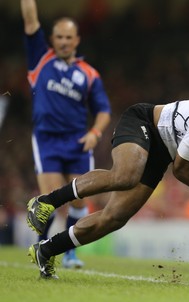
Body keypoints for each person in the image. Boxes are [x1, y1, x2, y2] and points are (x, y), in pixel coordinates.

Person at [25, 98, 189, 279]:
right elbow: (181, 171)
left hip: (163, 153)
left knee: (115, 218)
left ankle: (47, 250)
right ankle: (46, 202)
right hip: (144, 122)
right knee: (126, 176)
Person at [21, 0, 111, 269]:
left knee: (80, 200)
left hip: (78, 143)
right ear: (52, 39)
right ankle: (42, 247)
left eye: (68, 37)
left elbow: (103, 110)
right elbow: (30, 21)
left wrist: (95, 132)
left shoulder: (89, 74)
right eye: (59, 37)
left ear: (77, 40)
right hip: (47, 141)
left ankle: (70, 252)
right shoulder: (40, 59)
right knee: (48, 200)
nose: (63, 42)